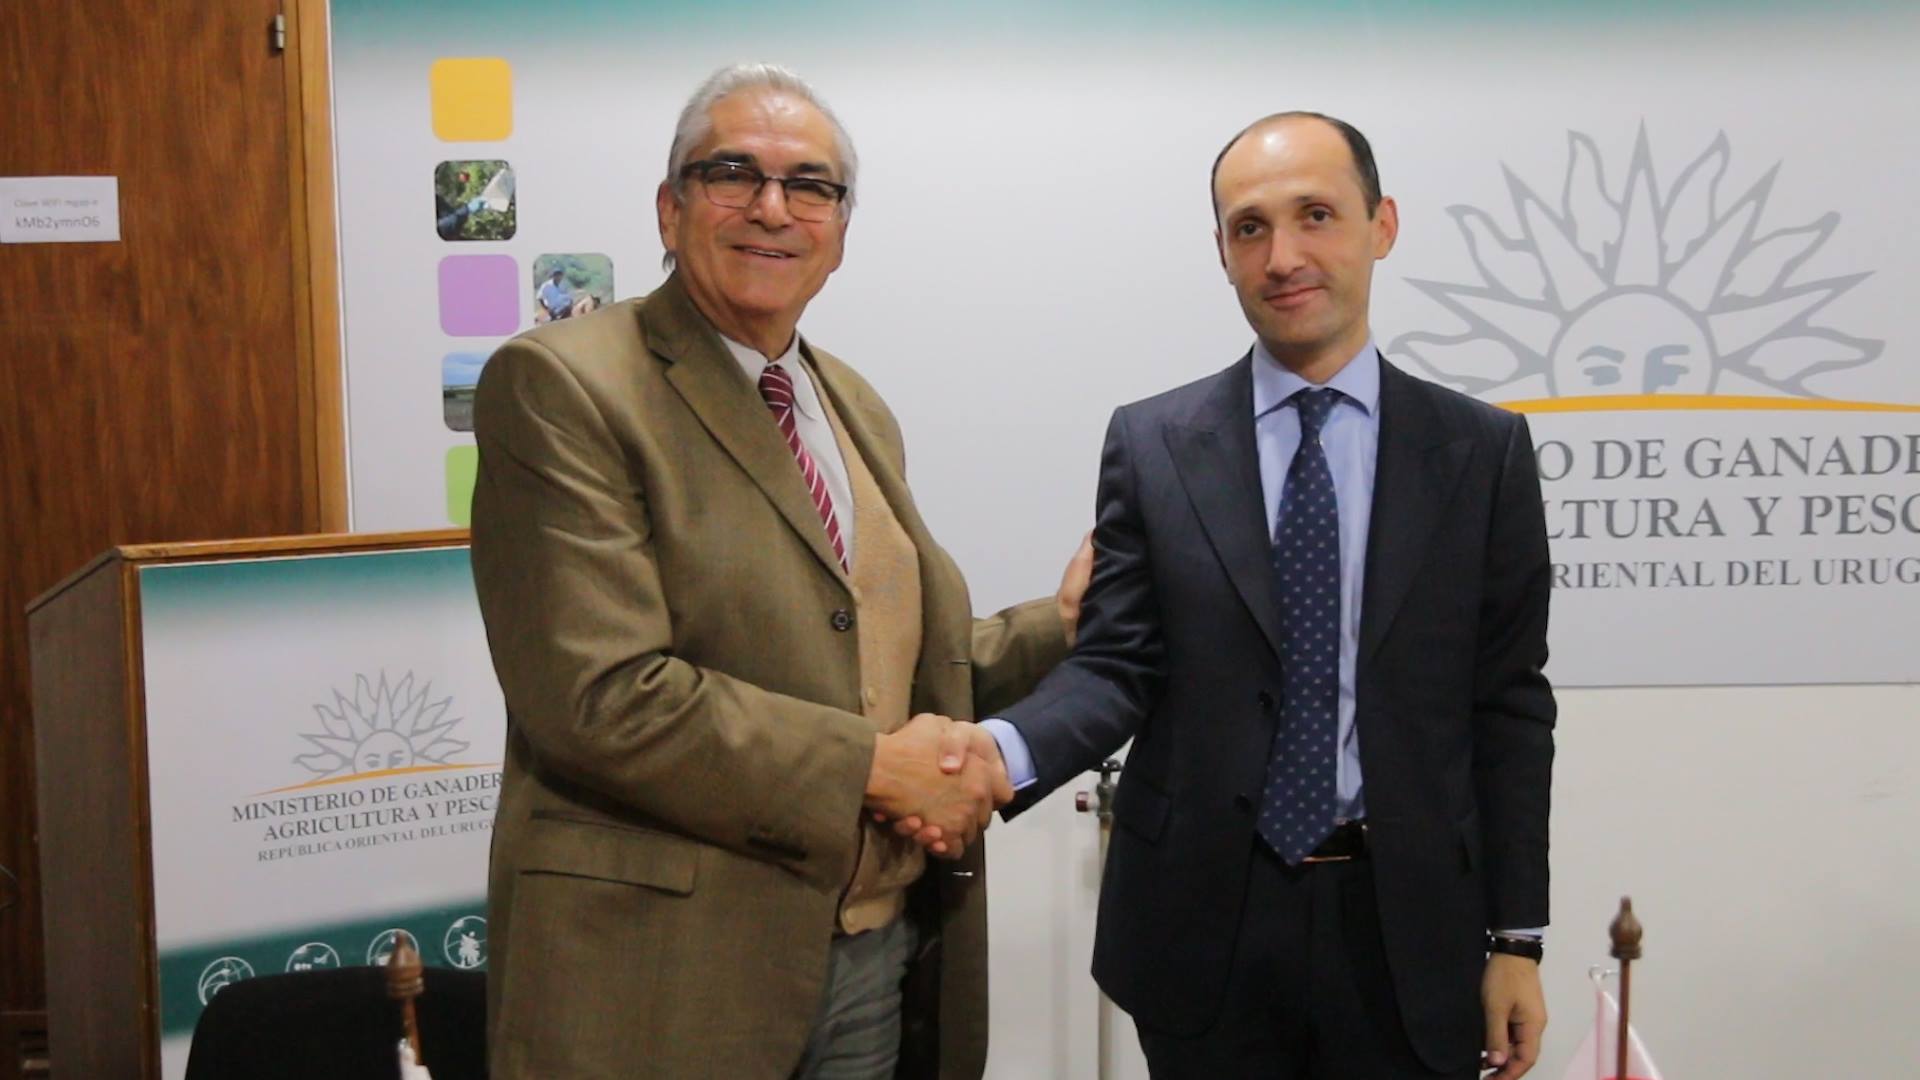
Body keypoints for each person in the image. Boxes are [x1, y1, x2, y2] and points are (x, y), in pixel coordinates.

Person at [467, 63, 1087, 1079]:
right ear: (670, 209)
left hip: (869, 959)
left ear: (839, 230)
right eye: (733, 174)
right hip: (663, 982)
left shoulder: (851, 403)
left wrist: (1060, 626)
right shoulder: (562, 384)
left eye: (810, 185)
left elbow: (881, 670)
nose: (771, 208)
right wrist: (872, 768)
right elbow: (600, 697)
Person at [975, 112, 1556, 1078]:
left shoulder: (1480, 453)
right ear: (1222, 251)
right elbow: (1115, 667)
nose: (1283, 257)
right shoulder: (1154, 445)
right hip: (1202, 929)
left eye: (1316, 215)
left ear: (1382, 225)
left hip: (1410, 932)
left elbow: (1508, 706)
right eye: (1250, 228)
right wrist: (998, 753)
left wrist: (1517, 939)